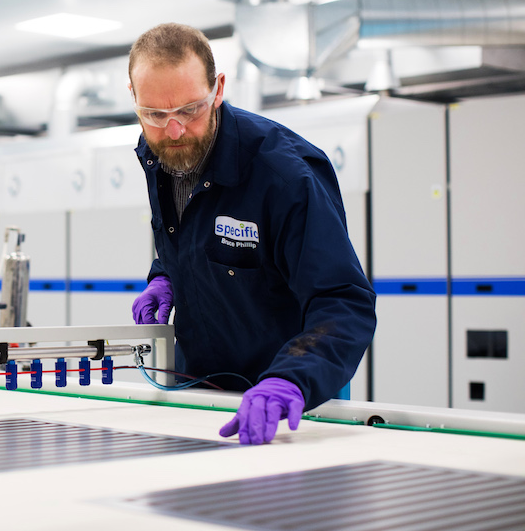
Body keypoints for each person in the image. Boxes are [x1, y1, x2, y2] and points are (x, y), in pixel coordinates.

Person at [129, 23, 376, 445]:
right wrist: (165, 275)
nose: (174, 130)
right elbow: (191, 238)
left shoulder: (285, 176)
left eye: (190, 110)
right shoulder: (159, 153)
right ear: (134, 100)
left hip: (287, 404)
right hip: (200, 395)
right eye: (155, 114)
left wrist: (290, 381)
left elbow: (343, 301)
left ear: (218, 89)